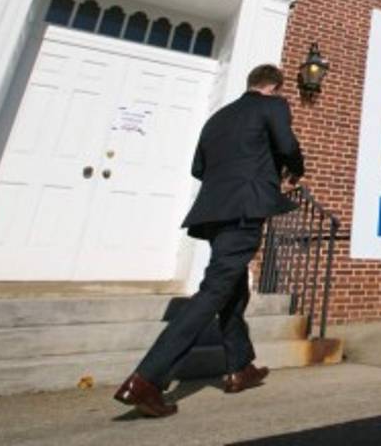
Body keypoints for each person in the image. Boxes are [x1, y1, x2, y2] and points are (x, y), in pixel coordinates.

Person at [114, 64, 305, 418]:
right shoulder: (273, 106)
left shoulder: (217, 119)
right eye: (280, 92)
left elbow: (198, 168)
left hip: (213, 212)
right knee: (216, 288)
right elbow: (287, 146)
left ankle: (239, 367)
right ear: (274, 87)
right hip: (245, 209)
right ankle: (147, 379)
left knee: (233, 287)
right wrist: (293, 170)